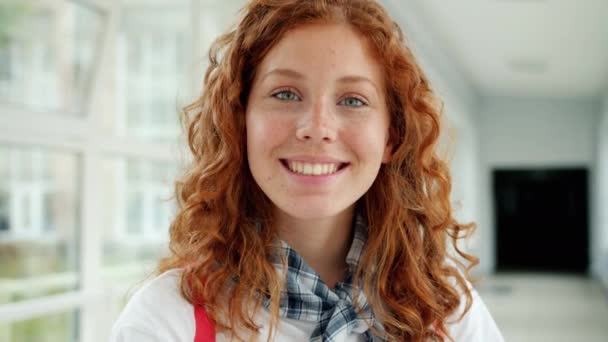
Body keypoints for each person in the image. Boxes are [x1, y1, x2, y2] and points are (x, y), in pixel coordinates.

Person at [110, 0, 504, 341]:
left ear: (390, 136)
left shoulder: (446, 310)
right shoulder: (165, 321)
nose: (316, 127)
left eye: (352, 100)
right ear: (239, 122)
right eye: (285, 94)